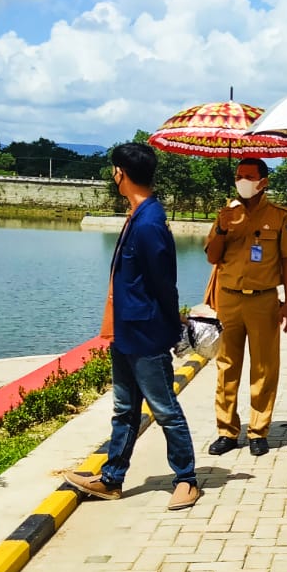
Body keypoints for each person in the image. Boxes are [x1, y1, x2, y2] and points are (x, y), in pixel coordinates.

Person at [65, 142, 200, 510]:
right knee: (125, 409)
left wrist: (172, 327)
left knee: (164, 408)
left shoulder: (150, 223)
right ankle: (111, 479)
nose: (113, 175)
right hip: (125, 332)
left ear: (120, 174)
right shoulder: (137, 215)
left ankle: (187, 479)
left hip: (146, 335)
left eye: (113, 170)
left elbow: (163, 283)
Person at [204, 157, 287, 458]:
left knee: (264, 367)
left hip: (264, 299)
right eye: (238, 175)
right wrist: (222, 227)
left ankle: (258, 430)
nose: (241, 180)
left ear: (263, 182)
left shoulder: (282, 216)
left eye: (248, 176)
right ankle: (226, 431)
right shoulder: (226, 213)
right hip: (229, 297)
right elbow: (212, 257)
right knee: (227, 366)